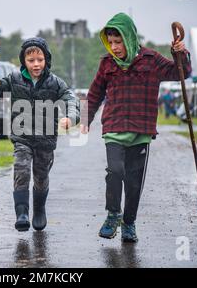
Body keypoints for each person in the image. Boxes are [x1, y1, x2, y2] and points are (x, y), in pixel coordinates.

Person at [81, 13, 191, 242]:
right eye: (110, 42)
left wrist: (180, 53)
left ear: (129, 38)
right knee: (115, 172)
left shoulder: (151, 60)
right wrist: (84, 120)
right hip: (114, 128)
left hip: (141, 132)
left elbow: (181, 73)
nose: (114, 47)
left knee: (134, 183)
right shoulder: (107, 63)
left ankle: (129, 223)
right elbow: (93, 94)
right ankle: (113, 214)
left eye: (118, 42)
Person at [0, 37, 80, 232]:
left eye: (40, 59)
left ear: (46, 59)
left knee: (41, 176)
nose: (36, 64)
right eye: (31, 60)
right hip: (22, 136)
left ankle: (39, 209)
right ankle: (21, 212)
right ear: (24, 61)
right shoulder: (14, 79)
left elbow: (71, 100)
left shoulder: (56, 83)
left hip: (46, 139)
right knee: (21, 170)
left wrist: (70, 118)